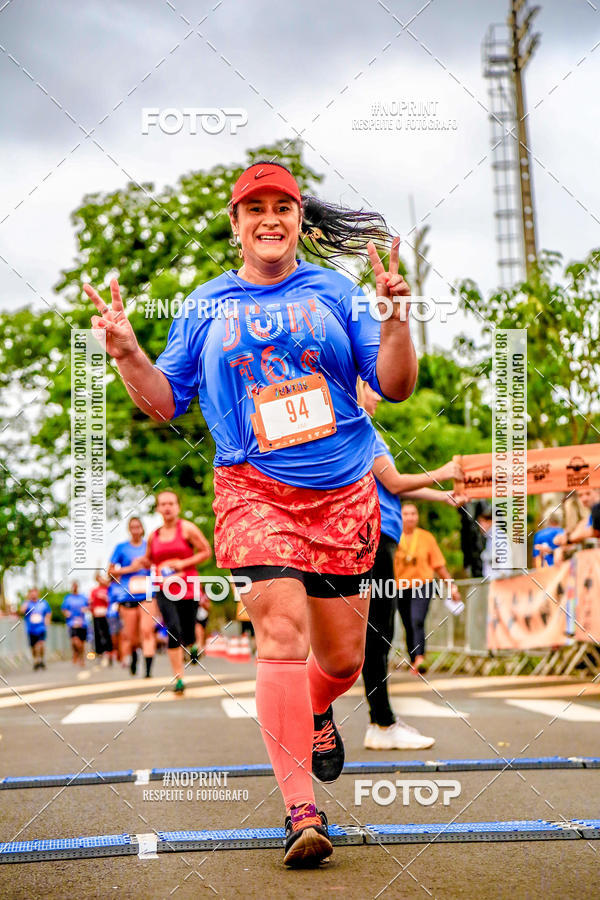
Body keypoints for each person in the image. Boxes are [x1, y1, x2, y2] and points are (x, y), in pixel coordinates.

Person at [84, 160, 417, 867]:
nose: (270, 218)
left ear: (299, 219)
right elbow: (164, 401)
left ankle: (319, 710)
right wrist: (126, 353)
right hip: (253, 490)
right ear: (236, 224)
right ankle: (301, 811)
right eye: (255, 207)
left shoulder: (338, 291)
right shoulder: (205, 305)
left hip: (342, 492)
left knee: (342, 658)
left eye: (284, 206)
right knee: (282, 632)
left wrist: (395, 325)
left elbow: (394, 385)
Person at [357, 380, 465, 750]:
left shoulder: (363, 428)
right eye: (370, 388)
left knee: (377, 631)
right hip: (373, 536)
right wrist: (446, 470)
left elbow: (394, 487)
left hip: (378, 535)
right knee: (377, 631)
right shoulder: (360, 424)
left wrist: (441, 495)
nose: (377, 396)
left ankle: (381, 720)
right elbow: (397, 482)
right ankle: (381, 723)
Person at [131, 491, 212, 694]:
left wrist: (182, 563)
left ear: (178, 507)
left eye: (171, 503)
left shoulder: (187, 529)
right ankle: (179, 678)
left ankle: (193, 645)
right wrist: (141, 562)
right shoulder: (154, 536)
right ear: (158, 508)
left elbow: (206, 552)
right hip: (164, 588)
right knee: (173, 631)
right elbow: (150, 559)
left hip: (188, 587)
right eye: (163, 504)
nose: (167, 507)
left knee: (188, 632)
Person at [394, 503, 461, 674]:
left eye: (413, 513)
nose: (410, 517)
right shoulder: (393, 536)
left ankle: (420, 657)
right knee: (407, 623)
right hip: (398, 586)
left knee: (417, 620)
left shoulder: (426, 537)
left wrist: (451, 586)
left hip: (423, 585)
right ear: (400, 516)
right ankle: (413, 658)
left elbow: (439, 565)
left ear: (417, 516)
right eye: (406, 514)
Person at [108, 517, 156, 678]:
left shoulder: (149, 546)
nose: (136, 530)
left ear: (143, 529)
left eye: (138, 527)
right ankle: (135, 656)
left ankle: (148, 671)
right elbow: (110, 572)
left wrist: (149, 566)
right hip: (127, 595)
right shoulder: (121, 548)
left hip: (147, 594)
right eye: (133, 527)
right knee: (132, 636)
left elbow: (158, 566)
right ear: (129, 529)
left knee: (147, 631)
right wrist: (130, 569)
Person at [20, 587, 51, 670]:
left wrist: (47, 620)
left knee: (41, 644)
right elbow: (22, 611)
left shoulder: (43, 603)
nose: (33, 595)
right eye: (31, 593)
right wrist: (27, 601)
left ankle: (41, 659)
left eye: (35, 593)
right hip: (31, 629)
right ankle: (36, 660)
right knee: (33, 647)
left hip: (41, 627)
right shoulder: (27, 603)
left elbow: (48, 612)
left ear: (38, 593)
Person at [61, 581, 89, 667]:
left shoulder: (83, 597)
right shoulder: (68, 598)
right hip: (72, 623)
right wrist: (67, 613)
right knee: (75, 641)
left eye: (76, 586)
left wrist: (86, 609)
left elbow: (88, 607)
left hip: (82, 623)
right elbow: (63, 609)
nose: (75, 587)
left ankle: (81, 658)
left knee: (82, 643)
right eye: (73, 586)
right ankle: (76, 652)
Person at [89, 573, 112, 664]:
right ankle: (99, 652)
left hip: (107, 614)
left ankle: (109, 651)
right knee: (98, 633)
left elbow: (111, 599)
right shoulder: (94, 591)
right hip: (97, 614)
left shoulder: (108, 589)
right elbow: (91, 602)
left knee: (107, 633)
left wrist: (105, 598)